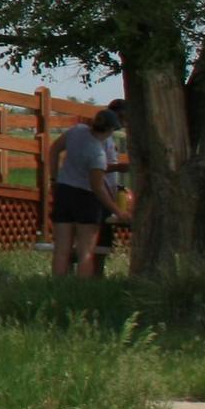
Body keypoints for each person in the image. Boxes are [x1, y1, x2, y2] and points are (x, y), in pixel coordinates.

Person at [51, 107, 119, 280]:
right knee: (85, 253)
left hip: (64, 192)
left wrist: (53, 179)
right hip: (86, 199)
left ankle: (56, 286)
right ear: (110, 130)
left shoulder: (76, 131)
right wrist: (118, 211)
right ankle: (83, 289)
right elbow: (97, 187)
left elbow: (54, 149)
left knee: (61, 250)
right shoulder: (98, 154)